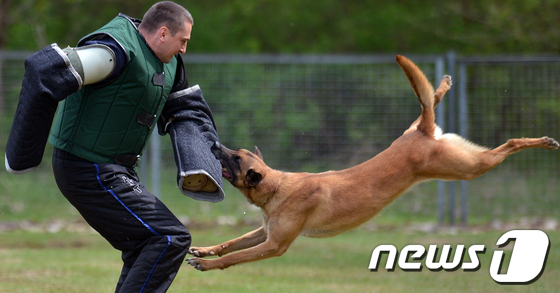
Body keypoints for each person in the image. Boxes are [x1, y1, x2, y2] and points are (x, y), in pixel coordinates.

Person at [5, 1, 223, 292]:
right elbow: (45, 70)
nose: (184, 49)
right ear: (162, 33)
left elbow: (186, 110)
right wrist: (22, 155)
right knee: (169, 238)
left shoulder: (169, 64)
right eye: (182, 41)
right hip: (85, 167)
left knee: (146, 244)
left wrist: (207, 162)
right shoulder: (115, 52)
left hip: (113, 170)